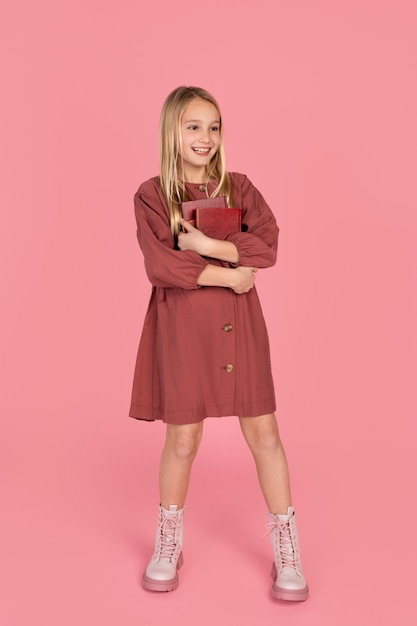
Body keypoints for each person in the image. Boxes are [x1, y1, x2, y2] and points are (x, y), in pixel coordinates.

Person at [129, 86, 309, 601]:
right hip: (182, 326)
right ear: (172, 131)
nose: (204, 137)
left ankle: (287, 545)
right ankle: (168, 540)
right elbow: (161, 264)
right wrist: (230, 274)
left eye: (213, 127)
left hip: (239, 326)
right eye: (192, 126)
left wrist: (207, 245)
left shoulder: (240, 187)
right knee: (183, 440)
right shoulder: (151, 194)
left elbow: (267, 244)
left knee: (266, 434)